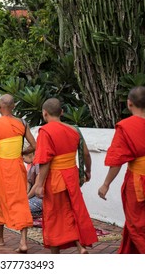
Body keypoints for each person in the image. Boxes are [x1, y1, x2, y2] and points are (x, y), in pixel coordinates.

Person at [98, 86, 145, 254]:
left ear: (129, 103)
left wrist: (106, 184)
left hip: (136, 182)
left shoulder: (125, 127)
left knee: (137, 224)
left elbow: (117, 161)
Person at [33, 98, 97, 254]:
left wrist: (39, 184)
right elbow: (86, 154)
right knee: (73, 210)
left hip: (55, 178)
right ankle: (80, 245)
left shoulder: (45, 131)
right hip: (72, 175)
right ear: (62, 112)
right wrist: (88, 171)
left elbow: (45, 161)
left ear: (44, 113)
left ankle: (56, 254)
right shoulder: (74, 130)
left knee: (54, 215)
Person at [0, 94, 36, 253]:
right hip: (17, 165)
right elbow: (34, 145)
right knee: (20, 200)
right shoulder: (22, 123)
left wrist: (0, 156)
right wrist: (20, 152)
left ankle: (0, 238)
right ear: (13, 106)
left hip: (1, 166)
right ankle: (23, 242)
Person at [22, 152, 42, 218]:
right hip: (34, 196)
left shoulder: (39, 164)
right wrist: (25, 195)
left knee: (21, 208)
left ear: (29, 155)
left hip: (41, 197)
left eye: (23, 158)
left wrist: (27, 198)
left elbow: (37, 185)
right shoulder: (32, 165)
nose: (23, 160)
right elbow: (29, 182)